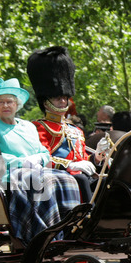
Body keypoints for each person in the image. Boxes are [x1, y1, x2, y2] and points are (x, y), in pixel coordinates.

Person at [0, 77, 81, 244]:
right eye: (1, 102)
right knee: (41, 180)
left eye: (9, 102)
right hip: (8, 172)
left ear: (17, 104)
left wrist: (38, 158)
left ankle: (68, 227)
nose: (6, 106)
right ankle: (45, 233)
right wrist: (22, 162)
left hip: (34, 169)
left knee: (67, 178)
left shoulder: (28, 126)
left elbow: (44, 152)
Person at [27, 46, 107, 203]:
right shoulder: (39, 127)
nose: (63, 102)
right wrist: (70, 165)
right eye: (58, 98)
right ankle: (85, 219)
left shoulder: (75, 129)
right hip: (60, 179)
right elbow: (44, 158)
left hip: (80, 177)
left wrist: (97, 158)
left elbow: (83, 160)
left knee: (105, 182)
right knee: (82, 180)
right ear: (46, 101)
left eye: (65, 97)